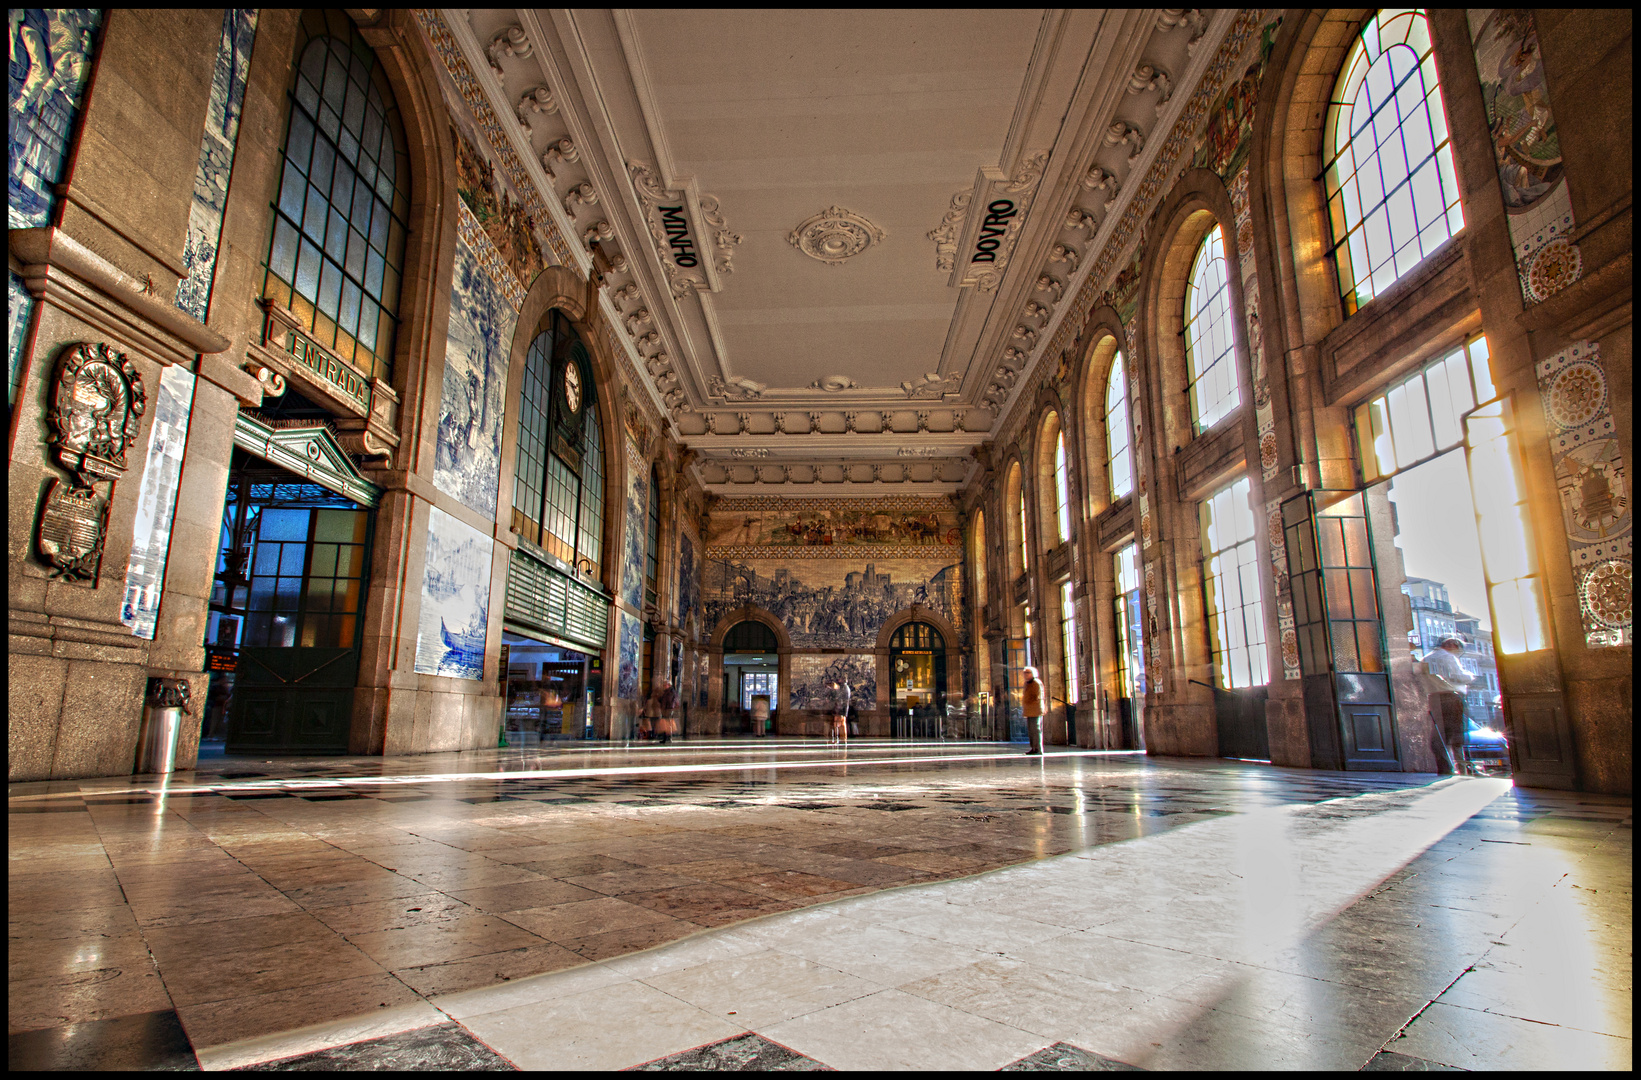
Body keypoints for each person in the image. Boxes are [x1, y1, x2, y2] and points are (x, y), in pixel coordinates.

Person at [1421, 635, 1475, 775]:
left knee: (1439, 732)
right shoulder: (1447, 657)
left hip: (1434, 697)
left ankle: (1444, 767)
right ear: (1452, 645)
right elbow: (1457, 676)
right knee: (1457, 733)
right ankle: (1463, 768)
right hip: (1451, 696)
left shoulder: (1426, 658)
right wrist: (1469, 676)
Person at [1021, 666, 1045, 755]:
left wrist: (1027, 701)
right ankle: (1033, 747)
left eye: (1027, 673)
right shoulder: (1027, 683)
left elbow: (1037, 696)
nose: (1025, 675)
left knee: (1036, 729)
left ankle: (1038, 748)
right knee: (1031, 730)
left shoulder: (1036, 683)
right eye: (1024, 673)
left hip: (1035, 709)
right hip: (1029, 710)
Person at [654, 679, 678, 745]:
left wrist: (669, 707)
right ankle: (665, 738)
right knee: (665, 723)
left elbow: (671, 700)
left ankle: (668, 737)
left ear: (668, 685)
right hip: (665, 709)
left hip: (668, 709)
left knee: (668, 723)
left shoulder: (671, 692)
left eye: (665, 685)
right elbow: (663, 700)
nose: (664, 686)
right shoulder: (665, 692)